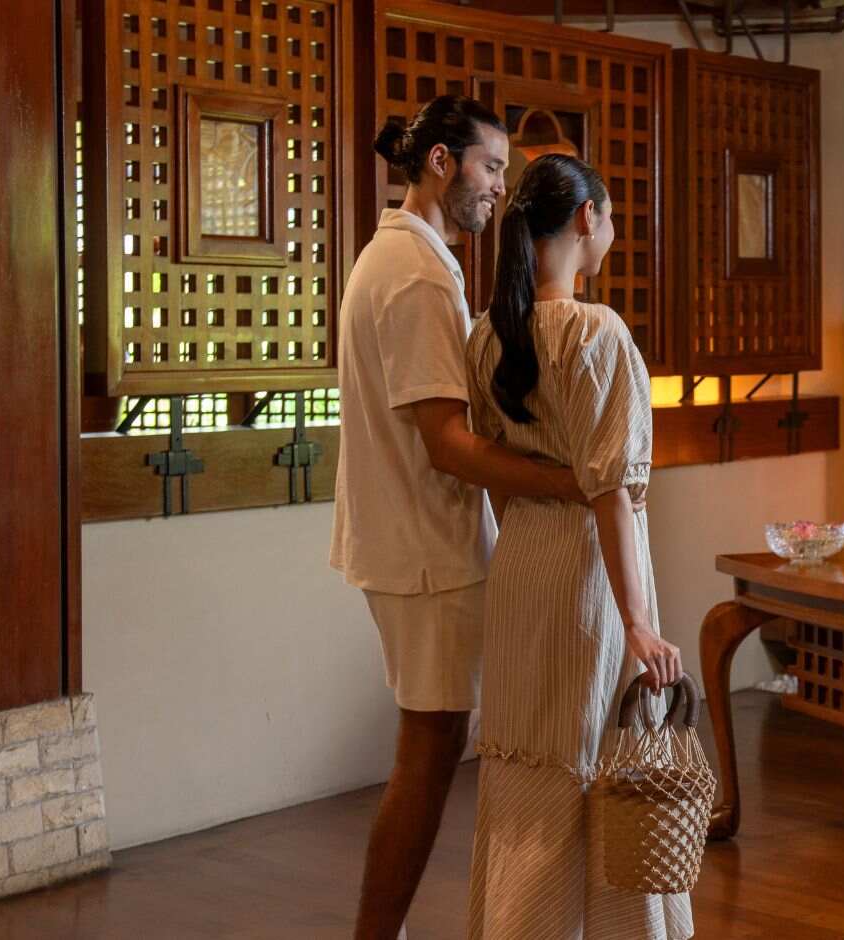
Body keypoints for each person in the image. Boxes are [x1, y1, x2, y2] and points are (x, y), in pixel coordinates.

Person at [329, 94, 587, 940]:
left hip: (417, 545)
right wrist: (570, 483)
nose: (500, 188)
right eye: (491, 167)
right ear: (441, 163)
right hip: (424, 552)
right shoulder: (410, 272)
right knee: (429, 753)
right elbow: (445, 444)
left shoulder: (413, 258)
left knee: (434, 748)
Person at [463, 153, 691, 939]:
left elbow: (498, 474)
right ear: (588, 217)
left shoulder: (487, 336)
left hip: (521, 563)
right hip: (589, 577)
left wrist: (529, 528)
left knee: (526, 762)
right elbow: (611, 494)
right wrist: (639, 622)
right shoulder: (597, 332)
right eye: (611, 213)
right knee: (597, 760)